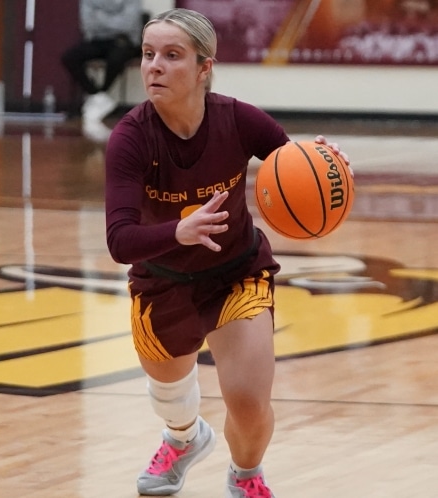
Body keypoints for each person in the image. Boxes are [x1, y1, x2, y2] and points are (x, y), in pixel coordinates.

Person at [105, 8, 350, 498]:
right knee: (169, 392)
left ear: (204, 67)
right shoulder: (130, 138)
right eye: (148, 54)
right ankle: (183, 438)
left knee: (249, 402)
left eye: (172, 55)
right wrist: (180, 231)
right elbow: (119, 240)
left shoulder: (238, 119)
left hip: (236, 273)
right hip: (161, 280)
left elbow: (293, 165)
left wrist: (325, 163)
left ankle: (246, 474)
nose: (154, 66)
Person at [61, 0, 144, 140]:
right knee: (69, 57)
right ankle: (98, 96)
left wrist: (101, 18)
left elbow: (128, 24)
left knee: (117, 57)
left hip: (125, 41)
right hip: (97, 40)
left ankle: (102, 93)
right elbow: (88, 24)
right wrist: (114, 20)